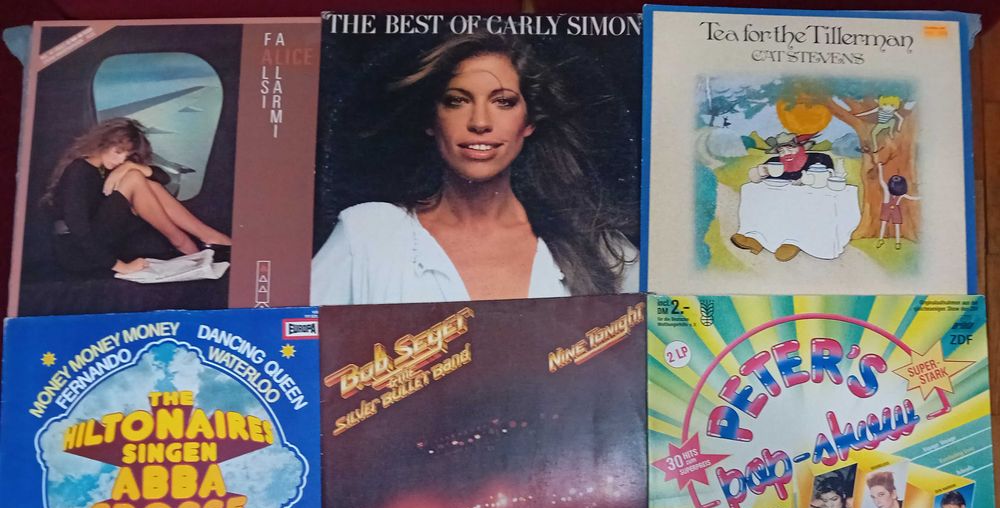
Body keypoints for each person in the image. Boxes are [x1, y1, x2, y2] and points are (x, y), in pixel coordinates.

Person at [311, 31, 638, 305]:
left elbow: (659, 349)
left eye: (503, 102)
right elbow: (292, 346)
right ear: (431, 119)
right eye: (457, 101)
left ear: (529, 122)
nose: (480, 122)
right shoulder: (368, 236)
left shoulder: (597, 246)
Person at [41, 117, 231, 276]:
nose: (120, 160)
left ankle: (205, 238)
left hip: (99, 242)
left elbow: (163, 178)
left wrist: (130, 166)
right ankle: (185, 244)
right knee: (134, 179)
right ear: (101, 143)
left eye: (126, 156)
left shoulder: (106, 169)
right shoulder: (79, 171)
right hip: (77, 252)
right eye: (117, 152)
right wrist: (121, 266)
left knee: (144, 181)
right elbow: (79, 229)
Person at [732, 131, 835, 262]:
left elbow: (829, 176)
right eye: (781, 151)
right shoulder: (775, 162)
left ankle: (794, 242)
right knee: (752, 192)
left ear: (802, 148)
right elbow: (753, 178)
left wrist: (809, 179)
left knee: (801, 207)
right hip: (778, 202)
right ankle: (755, 238)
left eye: (790, 148)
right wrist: (759, 172)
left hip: (807, 202)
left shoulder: (819, 159)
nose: (786, 153)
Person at [874, 160, 920, 251]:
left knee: (897, 225)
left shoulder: (899, 194)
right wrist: (880, 168)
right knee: (884, 224)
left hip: (895, 210)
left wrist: (921, 197)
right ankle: (881, 239)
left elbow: (911, 198)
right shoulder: (887, 191)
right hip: (887, 209)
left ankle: (897, 242)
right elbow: (881, 181)